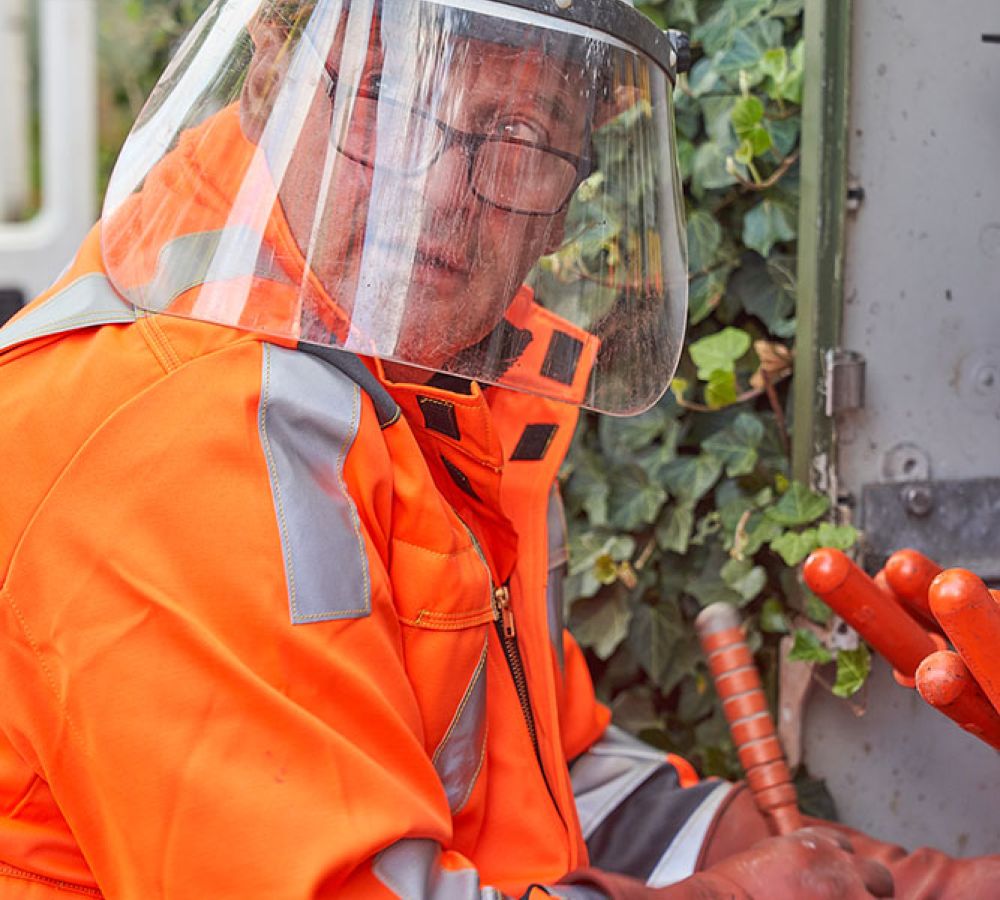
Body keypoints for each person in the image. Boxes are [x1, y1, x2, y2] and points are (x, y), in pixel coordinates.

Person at [0, 0, 995, 897]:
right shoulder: (175, 433)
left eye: (521, 139)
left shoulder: (413, 379)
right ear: (269, 77)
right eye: (386, 99)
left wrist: (914, 884)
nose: (440, 193)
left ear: (571, 198)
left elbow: (540, 781)